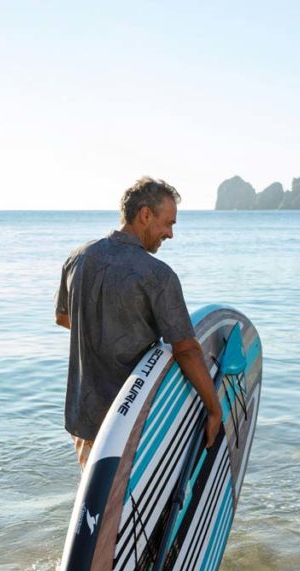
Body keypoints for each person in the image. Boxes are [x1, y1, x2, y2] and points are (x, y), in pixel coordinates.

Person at [56, 177, 222, 468]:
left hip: (84, 419)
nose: (170, 234)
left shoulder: (77, 258)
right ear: (145, 215)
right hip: (133, 422)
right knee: (135, 507)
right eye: (168, 223)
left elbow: (64, 318)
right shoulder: (157, 275)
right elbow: (185, 349)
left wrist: (108, 329)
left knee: (98, 504)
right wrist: (213, 409)